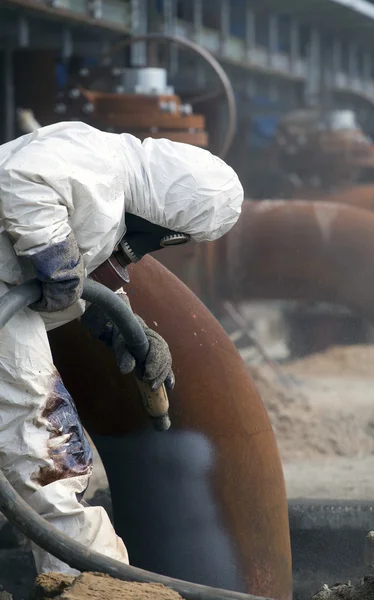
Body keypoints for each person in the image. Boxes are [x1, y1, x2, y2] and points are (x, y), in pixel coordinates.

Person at [0, 121, 244, 574]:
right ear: (167, 221)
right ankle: (93, 580)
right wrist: (57, 262)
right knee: (46, 448)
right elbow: (19, 182)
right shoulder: (97, 163)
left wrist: (117, 320)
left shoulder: (110, 183)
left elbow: (64, 271)